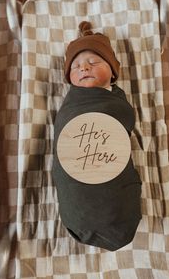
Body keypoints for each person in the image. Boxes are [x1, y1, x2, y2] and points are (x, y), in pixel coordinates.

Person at [51, 21, 142, 251]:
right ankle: (82, 212)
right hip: (77, 214)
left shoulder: (115, 102)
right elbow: (64, 129)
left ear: (112, 73)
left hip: (114, 198)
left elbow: (123, 123)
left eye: (93, 62)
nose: (84, 68)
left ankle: (113, 211)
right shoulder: (71, 105)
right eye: (76, 66)